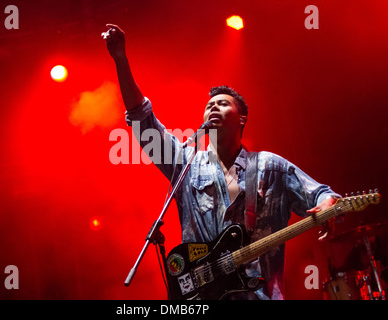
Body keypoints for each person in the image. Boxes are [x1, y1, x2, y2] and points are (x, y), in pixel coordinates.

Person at [103, 24, 340, 300]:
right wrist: (120, 59)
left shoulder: (269, 166)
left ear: (242, 119)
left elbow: (322, 194)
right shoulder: (186, 163)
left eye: (223, 103)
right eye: (209, 105)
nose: (213, 106)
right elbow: (143, 122)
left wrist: (328, 203)